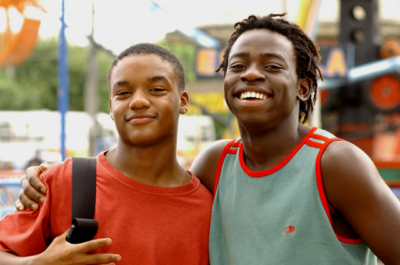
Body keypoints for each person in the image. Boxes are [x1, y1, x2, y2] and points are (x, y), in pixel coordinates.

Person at [16, 14, 400, 264]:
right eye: (238, 66)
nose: (251, 75)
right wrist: (48, 180)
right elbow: (148, 189)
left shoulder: (335, 163)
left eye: (271, 66)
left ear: (302, 87)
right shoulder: (216, 165)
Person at [0, 43, 212, 264]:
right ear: (112, 107)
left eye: (157, 89)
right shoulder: (62, 182)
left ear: (183, 101)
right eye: (123, 93)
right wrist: (38, 263)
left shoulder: (209, 210)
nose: (138, 101)